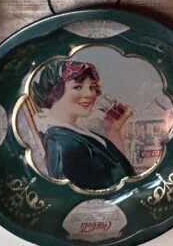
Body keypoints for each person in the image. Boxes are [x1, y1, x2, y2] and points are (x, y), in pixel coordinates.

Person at [30, 59, 134, 190]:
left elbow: (122, 174)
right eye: (78, 87)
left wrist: (113, 131)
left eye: (92, 87)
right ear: (54, 91)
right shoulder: (63, 143)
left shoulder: (74, 131)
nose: (90, 94)